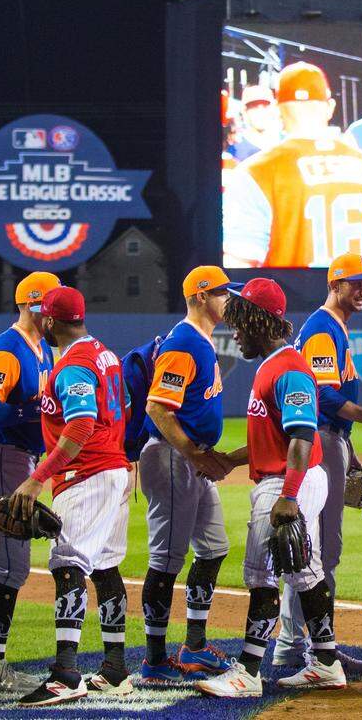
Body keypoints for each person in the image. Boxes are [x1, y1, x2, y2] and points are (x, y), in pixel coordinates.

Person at [195, 278, 346, 697]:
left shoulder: (289, 369)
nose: (235, 330)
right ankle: (328, 662)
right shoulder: (274, 365)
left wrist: (289, 495)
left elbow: (301, 435)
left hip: (287, 481)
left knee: (260, 574)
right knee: (303, 572)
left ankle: (246, 672)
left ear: (260, 321)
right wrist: (230, 458)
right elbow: (276, 437)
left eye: (242, 322)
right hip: (286, 476)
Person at [6, 286, 133, 706]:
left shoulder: (74, 366)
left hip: (88, 474)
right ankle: (115, 669)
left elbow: (79, 427)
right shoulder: (105, 354)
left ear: (50, 321)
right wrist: (122, 461)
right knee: (106, 566)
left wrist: (37, 478)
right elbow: (125, 406)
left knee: (68, 564)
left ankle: (65, 674)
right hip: (112, 469)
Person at [275, 253, 362, 672]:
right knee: (321, 550)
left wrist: (352, 449)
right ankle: (309, 649)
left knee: (315, 548)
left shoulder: (333, 327)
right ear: (335, 285)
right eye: (356, 283)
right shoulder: (323, 329)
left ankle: (299, 644)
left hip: (332, 440)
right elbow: (325, 397)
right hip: (322, 440)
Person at [137, 266, 236, 683]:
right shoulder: (182, 343)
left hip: (191, 458)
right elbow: (157, 408)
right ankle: (155, 658)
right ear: (199, 296)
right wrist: (194, 453)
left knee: (213, 547)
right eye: (221, 293)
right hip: (173, 458)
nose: (227, 299)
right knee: (166, 559)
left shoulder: (201, 340)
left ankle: (194, 647)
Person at [0, 271, 60, 693]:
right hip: (2, 457)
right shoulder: (8, 349)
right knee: (10, 567)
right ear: (28, 305)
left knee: (5, 566)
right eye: (46, 306)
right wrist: (29, 414)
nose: (51, 313)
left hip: (17, 458)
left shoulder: (43, 349)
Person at [223, 60, 362, 268]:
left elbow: (240, 263)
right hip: (357, 297)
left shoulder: (256, 171)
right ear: (330, 107)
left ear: (278, 110)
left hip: (292, 298)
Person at [227, 84, 281, 162]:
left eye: (265, 106)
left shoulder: (284, 144)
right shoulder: (235, 152)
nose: (261, 112)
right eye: (254, 107)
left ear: (273, 109)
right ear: (245, 112)